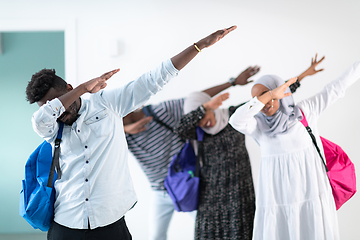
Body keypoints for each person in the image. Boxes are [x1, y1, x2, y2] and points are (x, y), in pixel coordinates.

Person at [25, 25, 237, 240]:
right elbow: (39, 120)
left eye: (58, 102)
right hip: (67, 221)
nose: (57, 111)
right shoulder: (50, 126)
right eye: (49, 107)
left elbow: (154, 79)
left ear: (67, 88)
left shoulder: (107, 104)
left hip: (110, 220)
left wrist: (198, 46)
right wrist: (81, 89)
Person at [172, 54, 324, 240]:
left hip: (240, 194)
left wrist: (305, 74)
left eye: (205, 115)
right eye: (198, 118)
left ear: (214, 108)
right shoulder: (197, 132)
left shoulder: (235, 115)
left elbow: (275, 93)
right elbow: (180, 129)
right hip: (211, 198)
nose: (204, 123)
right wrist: (203, 108)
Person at [123, 65, 260, 240]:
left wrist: (232, 82)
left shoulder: (160, 112)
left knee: (205, 229)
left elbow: (195, 100)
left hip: (189, 184)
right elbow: (100, 135)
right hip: (160, 190)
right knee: (156, 235)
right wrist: (126, 130)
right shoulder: (119, 135)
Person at [228, 57, 360, 240]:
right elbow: (235, 120)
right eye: (258, 99)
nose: (264, 103)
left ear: (281, 92)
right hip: (277, 199)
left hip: (311, 192)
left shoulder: (304, 111)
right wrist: (269, 95)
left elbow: (337, 87)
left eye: (269, 94)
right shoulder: (257, 127)